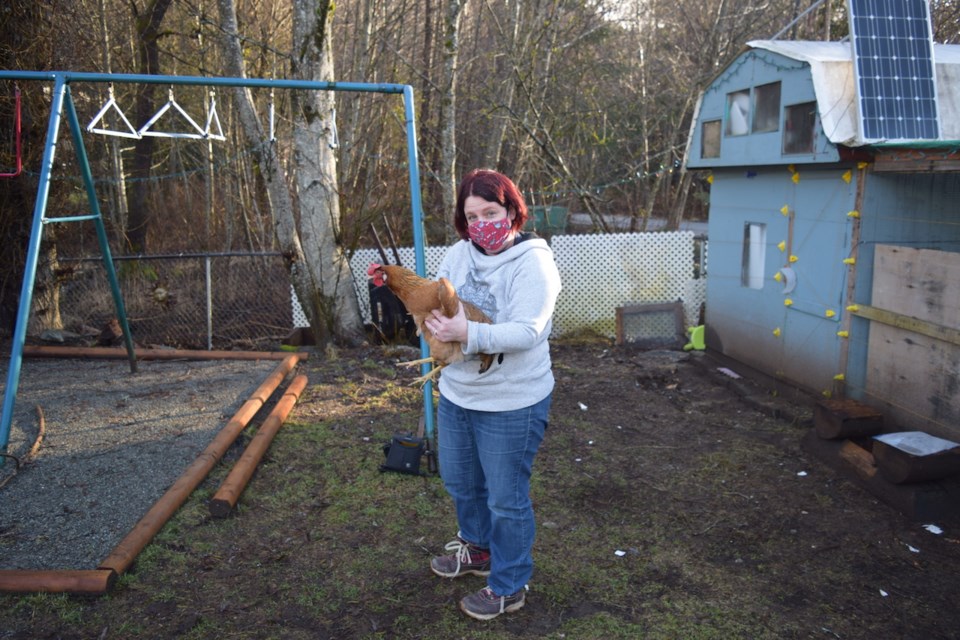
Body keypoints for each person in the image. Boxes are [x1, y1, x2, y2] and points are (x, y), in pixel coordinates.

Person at [422, 168, 562, 621]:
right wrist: (432, 321)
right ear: (462, 221)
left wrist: (467, 331)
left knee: (505, 498)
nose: (483, 222)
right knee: (461, 482)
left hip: (512, 400)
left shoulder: (533, 262)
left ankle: (510, 583)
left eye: (491, 212)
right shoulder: (459, 254)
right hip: (460, 391)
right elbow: (438, 298)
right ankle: (478, 550)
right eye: (472, 215)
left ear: (512, 211)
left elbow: (528, 330)